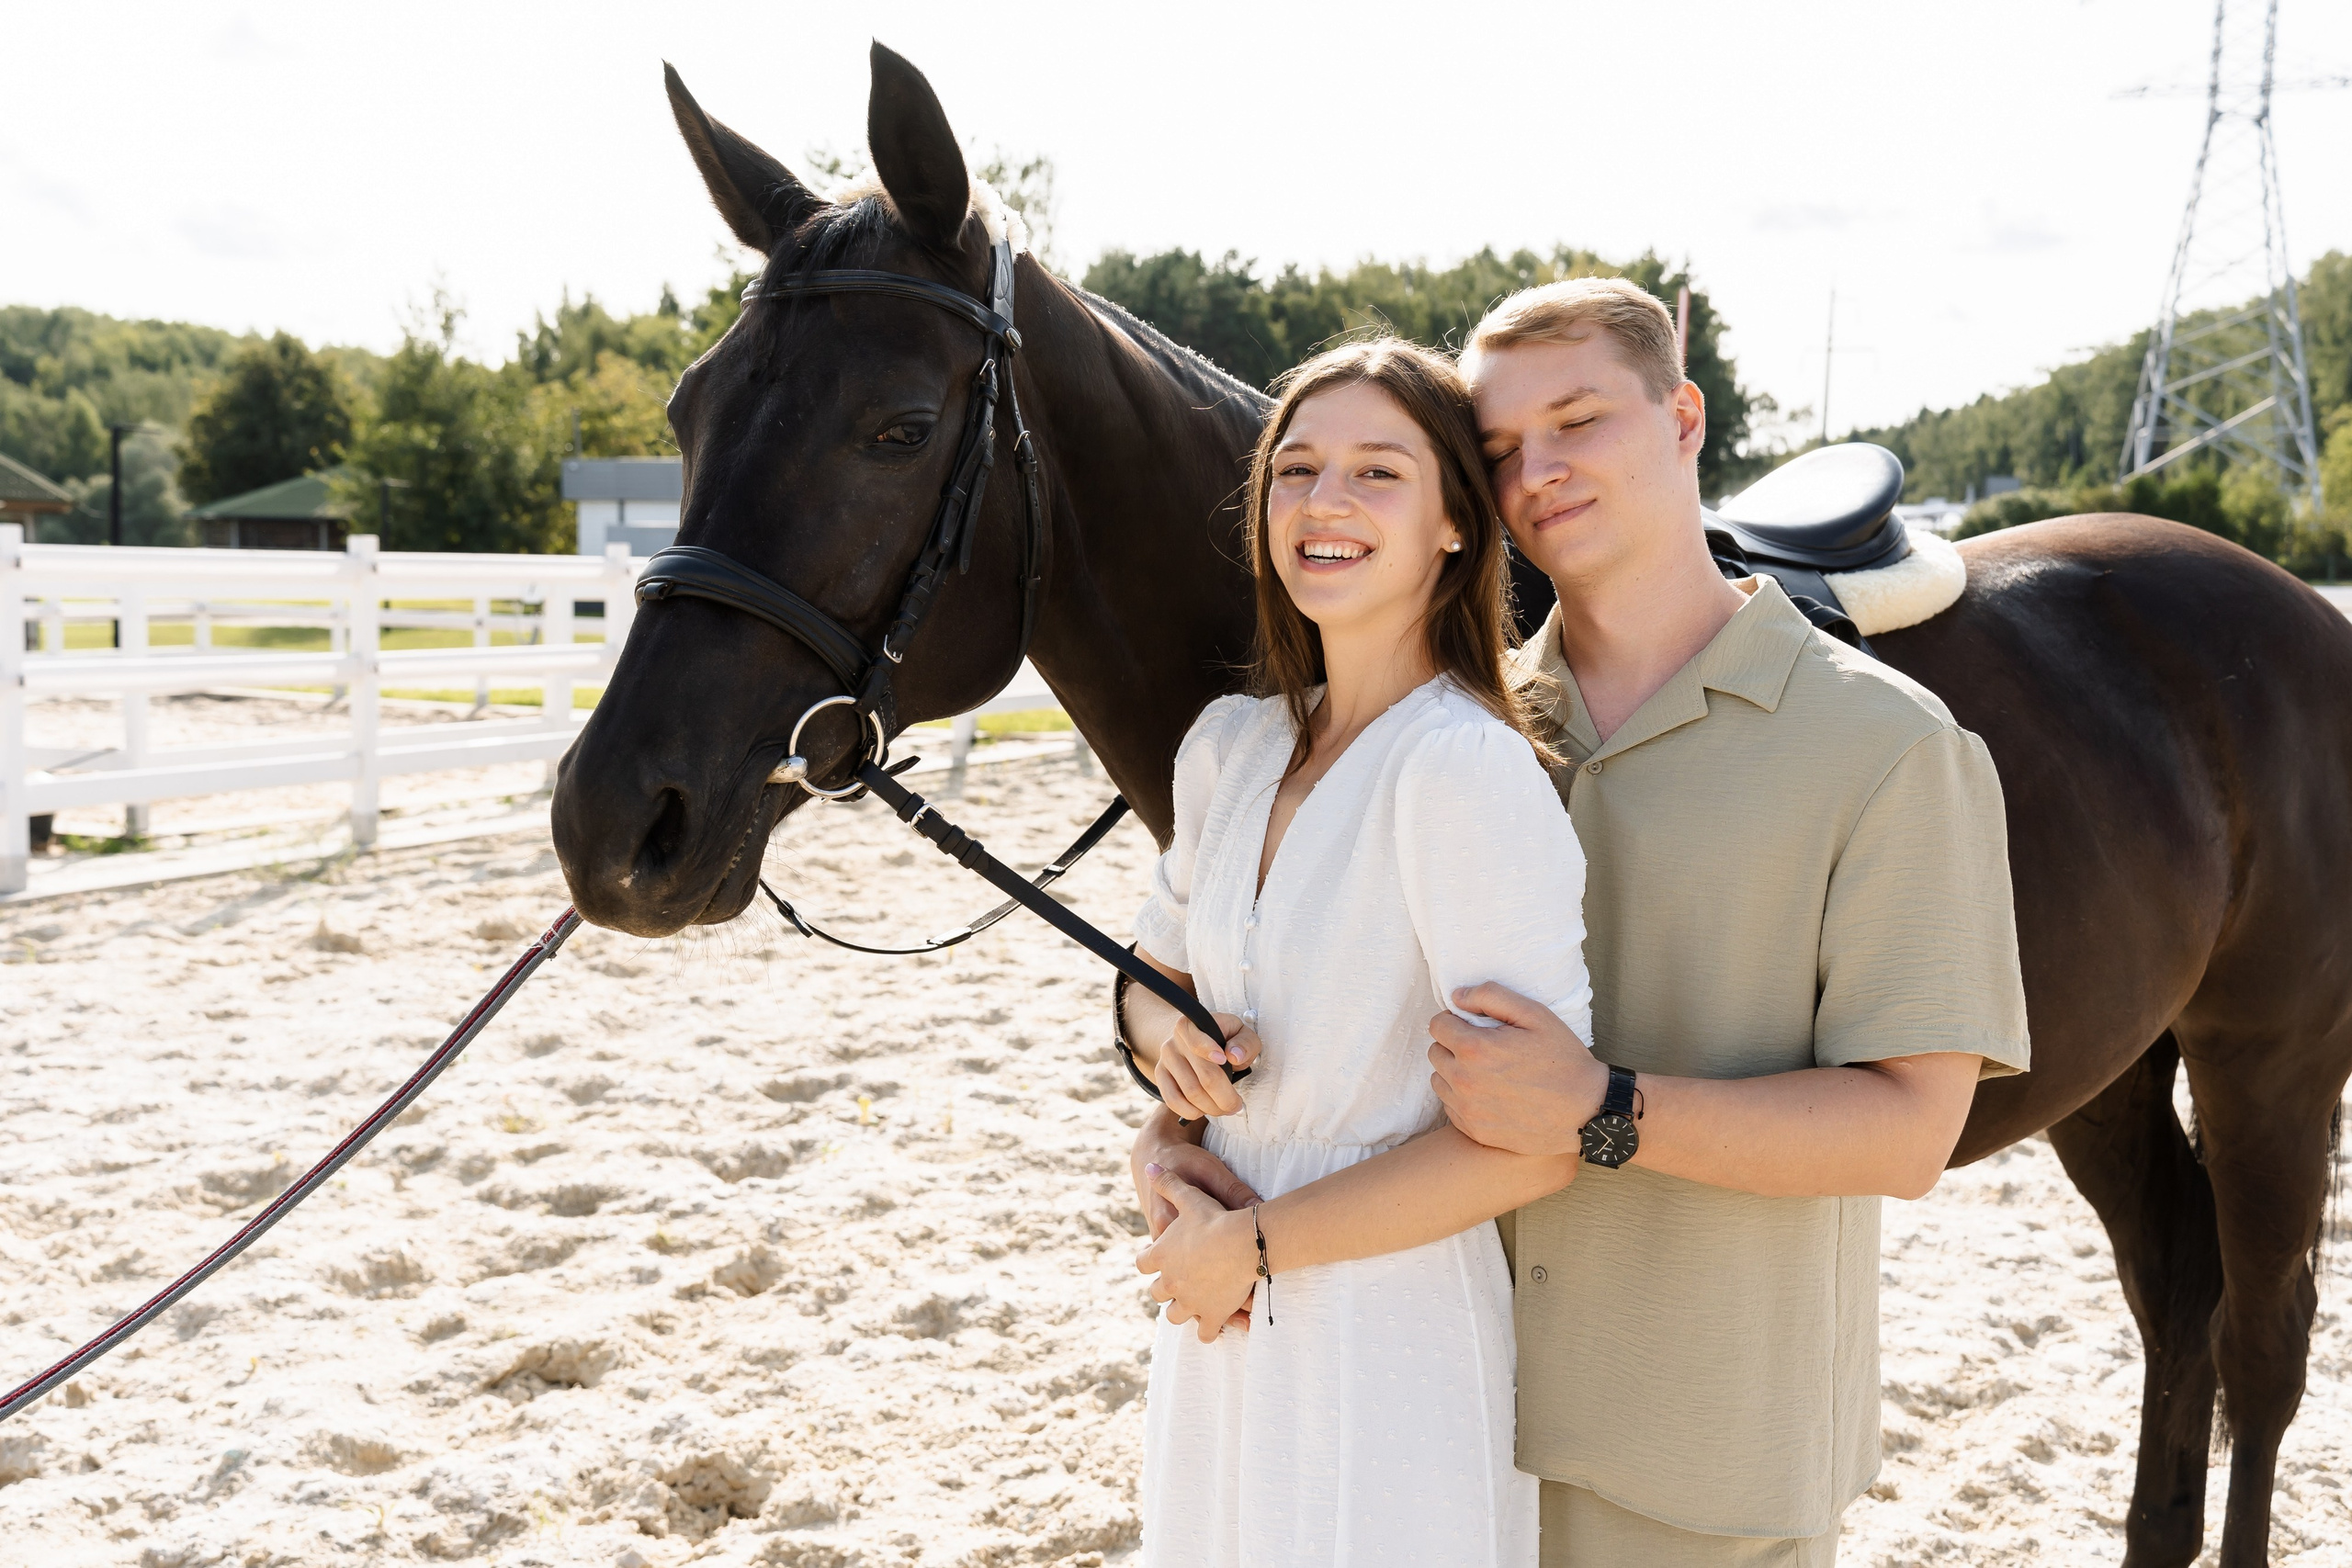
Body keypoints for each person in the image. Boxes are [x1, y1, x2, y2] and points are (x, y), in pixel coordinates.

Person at [1133, 279, 2030, 1567]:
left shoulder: (1887, 747)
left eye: (1578, 421)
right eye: (1499, 448)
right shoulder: (1456, 727)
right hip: (1430, 1402)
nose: (1538, 469)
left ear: (1683, 419)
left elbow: (1909, 1130)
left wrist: (1603, 1105)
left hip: (1692, 1447)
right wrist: (1171, 1125)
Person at [1121, 337, 1592, 1565]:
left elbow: (1534, 1151)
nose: (1324, 503)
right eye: (1298, 468)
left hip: (1381, 1328)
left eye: (1377, 472)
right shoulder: (1231, 747)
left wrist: (1254, 1246)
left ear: (1452, 523)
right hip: (1217, 1301)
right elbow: (1151, 973)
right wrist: (1166, 1101)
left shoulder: (1464, 769)